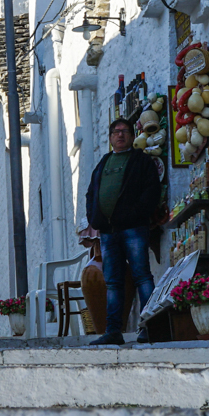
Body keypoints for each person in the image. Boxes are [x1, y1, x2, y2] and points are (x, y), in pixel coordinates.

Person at [84, 117, 162, 345]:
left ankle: (150, 326)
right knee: (113, 282)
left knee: (142, 276)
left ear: (131, 136)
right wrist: (94, 218)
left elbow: (151, 192)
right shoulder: (103, 163)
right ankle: (113, 331)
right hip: (108, 233)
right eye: (116, 132)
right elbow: (91, 194)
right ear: (110, 138)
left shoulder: (141, 161)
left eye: (125, 131)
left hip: (134, 229)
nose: (120, 135)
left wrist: (136, 214)